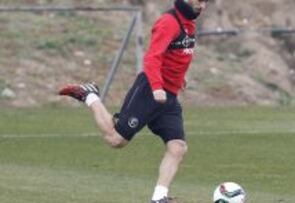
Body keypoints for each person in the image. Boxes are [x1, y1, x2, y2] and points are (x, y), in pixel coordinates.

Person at [58, 0, 208, 202]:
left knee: (178, 147)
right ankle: (89, 95)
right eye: (199, 1)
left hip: (168, 97)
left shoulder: (189, 24)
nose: (203, 6)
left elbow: (176, 55)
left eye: (205, 2)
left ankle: (159, 198)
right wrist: (156, 87)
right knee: (116, 140)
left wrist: (180, 78)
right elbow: (152, 58)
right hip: (150, 91)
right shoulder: (168, 22)